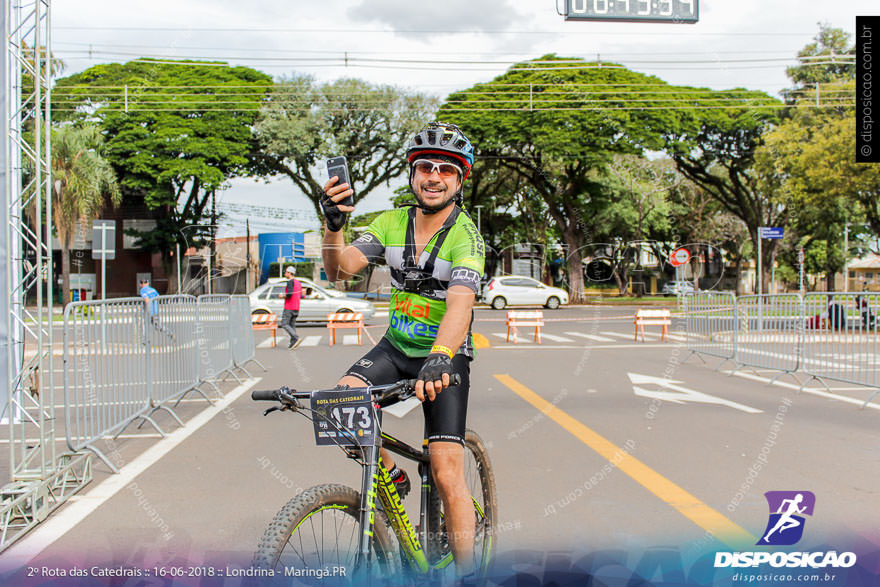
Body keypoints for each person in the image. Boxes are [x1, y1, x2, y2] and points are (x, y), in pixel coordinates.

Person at [321, 122, 484, 583]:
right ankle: (391, 475)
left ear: (459, 180)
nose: (434, 177)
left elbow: (460, 305)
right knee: (338, 408)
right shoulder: (391, 223)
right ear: (413, 175)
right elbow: (339, 270)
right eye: (425, 167)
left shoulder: (466, 238)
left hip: (444, 354)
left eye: (445, 170)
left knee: (448, 470)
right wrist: (333, 228)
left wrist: (441, 356)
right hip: (395, 346)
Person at [279, 266, 302, 349]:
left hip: (289, 307)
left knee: (284, 324)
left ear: (289, 273)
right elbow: (301, 295)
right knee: (292, 325)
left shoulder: (290, 282)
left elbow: (289, 294)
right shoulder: (299, 283)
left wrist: (282, 296)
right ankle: (293, 343)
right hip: (296, 307)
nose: (285, 273)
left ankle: (296, 337)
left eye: (286, 272)